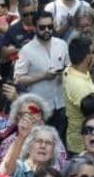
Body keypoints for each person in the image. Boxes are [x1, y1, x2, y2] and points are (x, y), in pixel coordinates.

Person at [14, 11, 69, 140]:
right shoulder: (26, 50)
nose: (47, 30)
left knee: (60, 140)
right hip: (40, 106)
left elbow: (69, 67)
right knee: (40, 140)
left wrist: (64, 74)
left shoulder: (61, 44)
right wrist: (43, 76)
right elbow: (18, 79)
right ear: (34, 27)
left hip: (61, 103)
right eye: (42, 27)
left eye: (50, 27)